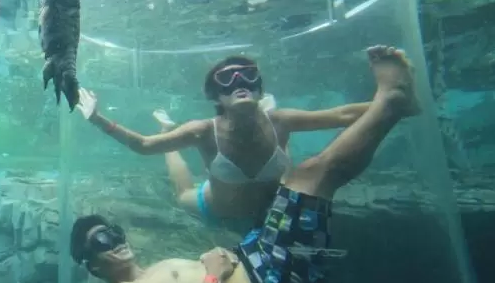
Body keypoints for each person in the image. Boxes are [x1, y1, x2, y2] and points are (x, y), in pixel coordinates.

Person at [69, 46, 420, 283]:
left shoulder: (153, 272)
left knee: (308, 176)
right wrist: (213, 271)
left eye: (113, 233)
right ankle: (391, 102)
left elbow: (341, 113)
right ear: (92, 266)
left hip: (259, 255)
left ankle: (393, 105)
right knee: (313, 174)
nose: (117, 241)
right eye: (103, 242)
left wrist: (221, 262)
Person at [76, 55, 372, 226]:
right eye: (227, 81)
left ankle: (263, 116)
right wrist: (97, 118)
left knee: (280, 139)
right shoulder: (203, 130)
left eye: (247, 78)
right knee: (182, 193)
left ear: (258, 88)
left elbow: (343, 114)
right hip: (214, 207)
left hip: (272, 205)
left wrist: (392, 102)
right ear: (216, 96)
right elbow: (144, 145)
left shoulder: (281, 120)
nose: (239, 84)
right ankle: (168, 128)